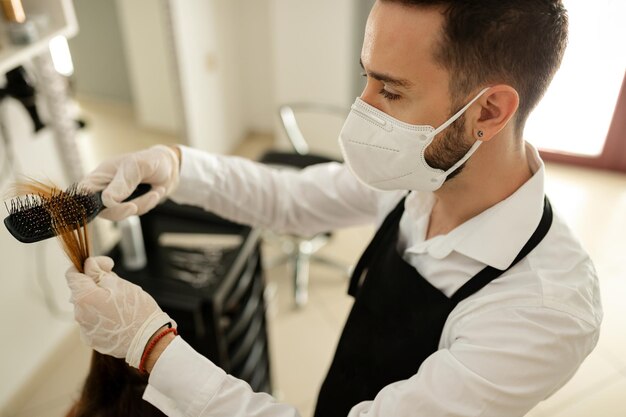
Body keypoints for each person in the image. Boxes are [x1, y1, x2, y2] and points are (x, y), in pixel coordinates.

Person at [64, 1, 602, 416]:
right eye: (366, 75)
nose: (360, 110)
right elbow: (291, 197)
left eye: (390, 91)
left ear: (488, 110)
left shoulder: (545, 311)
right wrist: (175, 166)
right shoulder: (423, 173)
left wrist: (151, 346)